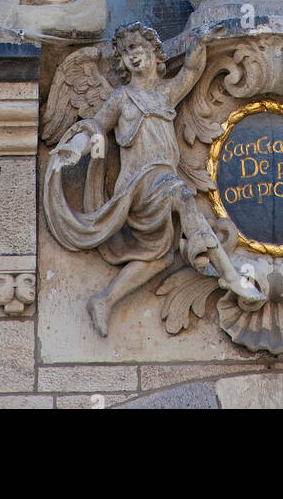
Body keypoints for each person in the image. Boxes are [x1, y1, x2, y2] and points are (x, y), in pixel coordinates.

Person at [43, 23, 261, 336]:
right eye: (126, 52)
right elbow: (95, 127)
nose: (133, 56)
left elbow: (192, 67)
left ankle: (104, 300)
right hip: (140, 184)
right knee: (182, 195)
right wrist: (75, 150)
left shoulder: (165, 94)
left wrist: (207, 34)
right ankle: (229, 275)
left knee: (158, 258)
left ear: (154, 54)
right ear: (121, 61)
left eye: (139, 49)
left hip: (162, 179)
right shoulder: (121, 98)